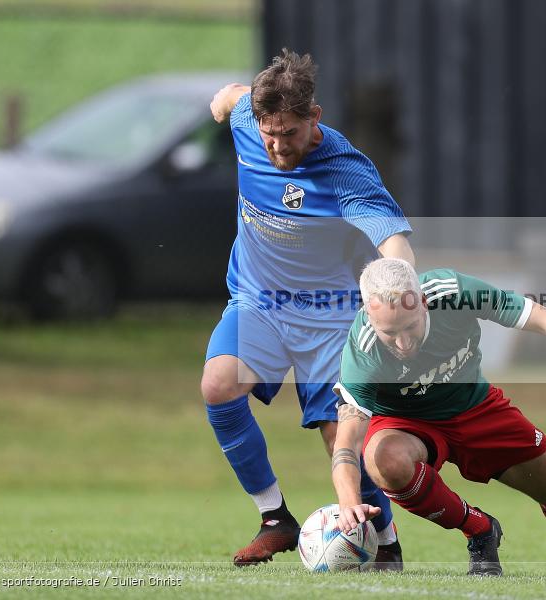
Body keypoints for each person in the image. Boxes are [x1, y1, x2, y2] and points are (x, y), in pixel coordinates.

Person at [201, 49, 415, 569]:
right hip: (258, 300)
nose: (277, 146)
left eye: (290, 134)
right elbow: (232, 100)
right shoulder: (251, 119)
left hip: (330, 314)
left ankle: (384, 540)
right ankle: (275, 519)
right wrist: (223, 99)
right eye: (269, 134)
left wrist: (400, 287)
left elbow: (393, 239)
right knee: (218, 385)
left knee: (337, 434)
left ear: (314, 117)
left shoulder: (344, 169)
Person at [329, 258, 546, 576]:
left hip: (476, 407)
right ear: (368, 316)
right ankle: (479, 529)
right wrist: (348, 504)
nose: (402, 344)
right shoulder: (363, 351)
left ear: (423, 302)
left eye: (409, 327)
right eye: (390, 334)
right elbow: (347, 442)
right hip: (407, 424)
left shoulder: (455, 293)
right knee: (383, 459)